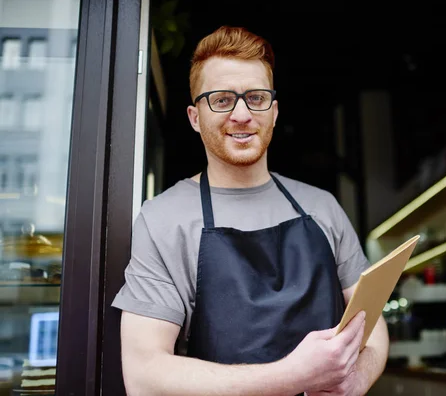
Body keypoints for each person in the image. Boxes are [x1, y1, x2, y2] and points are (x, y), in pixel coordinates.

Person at [112, 25, 389, 396]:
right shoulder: (163, 219)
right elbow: (144, 375)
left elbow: (373, 327)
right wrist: (292, 375)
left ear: (273, 112)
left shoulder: (322, 206)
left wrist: (357, 378)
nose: (242, 114)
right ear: (195, 117)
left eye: (256, 98)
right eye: (222, 100)